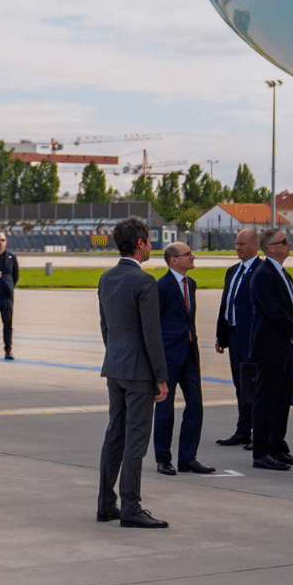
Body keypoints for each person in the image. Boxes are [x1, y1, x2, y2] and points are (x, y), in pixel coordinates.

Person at [96, 216, 169, 529]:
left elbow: (105, 326)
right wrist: (161, 377)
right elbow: (152, 335)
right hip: (139, 372)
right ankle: (131, 506)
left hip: (115, 366)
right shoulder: (144, 281)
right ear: (140, 244)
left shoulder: (106, 278)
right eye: (149, 241)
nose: (151, 246)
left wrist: (115, 356)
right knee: (136, 441)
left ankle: (106, 504)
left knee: (115, 434)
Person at [246, 228, 293, 471]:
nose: (289, 244)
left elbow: (292, 305)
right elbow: (273, 312)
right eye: (284, 242)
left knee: (282, 400)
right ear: (272, 248)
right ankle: (261, 453)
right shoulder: (263, 275)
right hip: (270, 347)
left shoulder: (282, 273)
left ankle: (278, 447)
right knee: (266, 401)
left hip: (284, 347)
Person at [152, 241, 213, 476]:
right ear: (174, 259)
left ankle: (188, 458)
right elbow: (155, 323)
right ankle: (163, 459)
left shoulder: (192, 284)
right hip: (169, 355)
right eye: (188, 254)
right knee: (165, 408)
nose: (193, 257)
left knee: (195, 405)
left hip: (189, 352)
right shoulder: (162, 286)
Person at [212, 229, 260, 449]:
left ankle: (259, 431)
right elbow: (226, 305)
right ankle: (243, 430)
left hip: (254, 337)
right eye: (236, 243)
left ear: (254, 245)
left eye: (242, 243)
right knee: (240, 386)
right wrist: (221, 336)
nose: (237, 247)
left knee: (256, 386)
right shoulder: (232, 271)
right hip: (234, 336)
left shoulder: (263, 271)